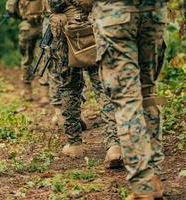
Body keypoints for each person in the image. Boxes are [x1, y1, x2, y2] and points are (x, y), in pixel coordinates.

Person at [92, 0, 168, 199]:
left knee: (128, 98)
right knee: (148, 93)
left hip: (116, 14)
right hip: (154, 12)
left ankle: (143, 186)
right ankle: (154, 178)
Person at [49, 0, 121, 168]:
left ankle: (74, 144)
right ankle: (114, 145)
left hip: (68, 32)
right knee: (103, 86)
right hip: (98, 27)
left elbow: (55, 4)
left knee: (69, 87)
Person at [6, 0, 49, 102]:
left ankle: (27, 92)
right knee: (43, 60)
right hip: (42, 25)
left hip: (27, 26)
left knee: (26, 60)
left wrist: (21, 15)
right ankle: (44, 95)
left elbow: (10, 8)